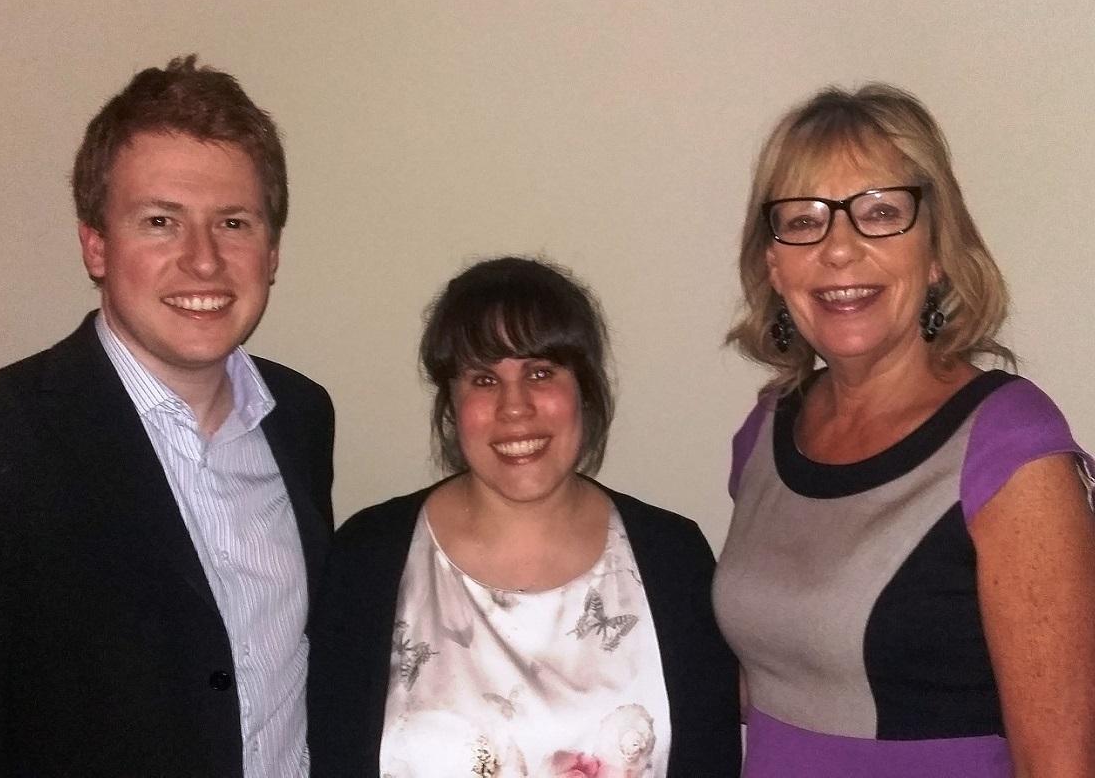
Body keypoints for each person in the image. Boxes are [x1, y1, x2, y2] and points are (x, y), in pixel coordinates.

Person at [0, 55, 333, 777]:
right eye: (160, 221)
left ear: (273, 251)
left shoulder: (302, 419)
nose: (203, 261)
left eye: (233, 222)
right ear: (96, 245)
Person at [714, 84, 1095, 777]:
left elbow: (1060, 765)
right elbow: (774, 670)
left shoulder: (1009, 446)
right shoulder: (767, 432)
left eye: (881, 214)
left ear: (937, 250)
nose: (838, 251)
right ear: (775, 265)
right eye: (803, 222)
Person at [308, 256, 740, 777]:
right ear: (451, 403)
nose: (515, 407)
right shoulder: (367, 558)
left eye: (540, 372)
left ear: (584, 389)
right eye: (484, 380)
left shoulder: (674, 557)